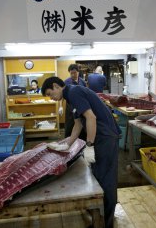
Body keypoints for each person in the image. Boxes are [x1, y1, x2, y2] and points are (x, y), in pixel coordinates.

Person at [41, 77, 121, 228]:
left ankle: (107, 223)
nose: (51, 98)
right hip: (100, 137)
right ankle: (100, 218)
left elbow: (91, 117)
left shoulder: (74, 92)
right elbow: (78, 123)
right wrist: (67, 144)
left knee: (106, 180)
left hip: (106, 137)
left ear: (56, 86)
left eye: (49, 93)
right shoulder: (70, 96)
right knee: (98, 177)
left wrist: (89, 145)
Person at [64, 64, 86, 139]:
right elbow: (62, 95)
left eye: (75, 73)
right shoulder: (66, 82)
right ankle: (68, 142)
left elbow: (86, 93)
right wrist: (60, 106)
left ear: (78, 72)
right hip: (70, 107)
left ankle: (81, 142)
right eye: (71, 73)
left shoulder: (82, 82)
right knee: (70, 125)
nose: (73, 75)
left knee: (81, 124)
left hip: (81, 107)